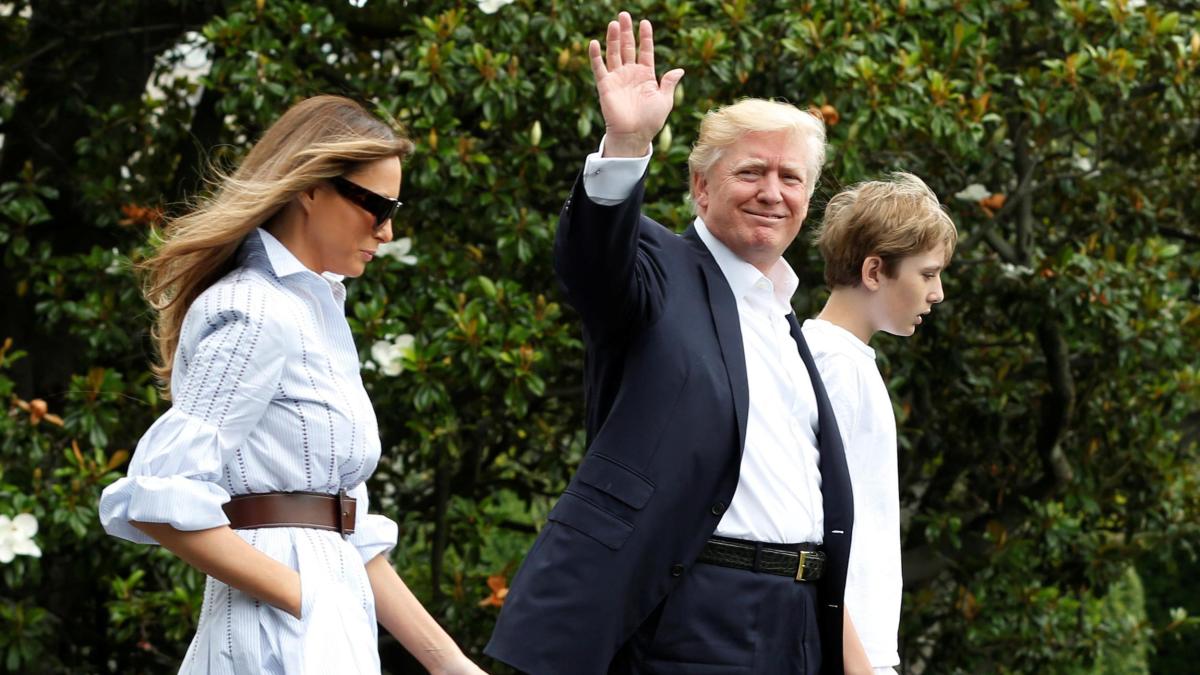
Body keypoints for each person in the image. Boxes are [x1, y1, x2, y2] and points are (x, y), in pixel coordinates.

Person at [485, 12, 854, 675]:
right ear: (701, 187)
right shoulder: (658, 266)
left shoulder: (786, 320)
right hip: (695, 613)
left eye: (791, 177)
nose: (772, 192)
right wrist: (626, 142)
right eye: (751, 172)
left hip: (797, 622)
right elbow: (594, 260)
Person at [98, 95, 485, 675]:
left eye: (393, 208)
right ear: (310, 189)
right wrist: (303, 594)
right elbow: (157, 496)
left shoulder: (315, 312)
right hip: (273, 633)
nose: (386, 230)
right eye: (375, 207)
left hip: (325, 625)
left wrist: (451, 665)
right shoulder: (254, 309)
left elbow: (347, 531)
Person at [801, 173, 958, 674]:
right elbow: (810, 534)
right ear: (874, 271)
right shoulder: (834, 366)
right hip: (845, 655)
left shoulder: (844, 359)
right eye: (928, 274)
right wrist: (859, 664)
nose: (937, 293)